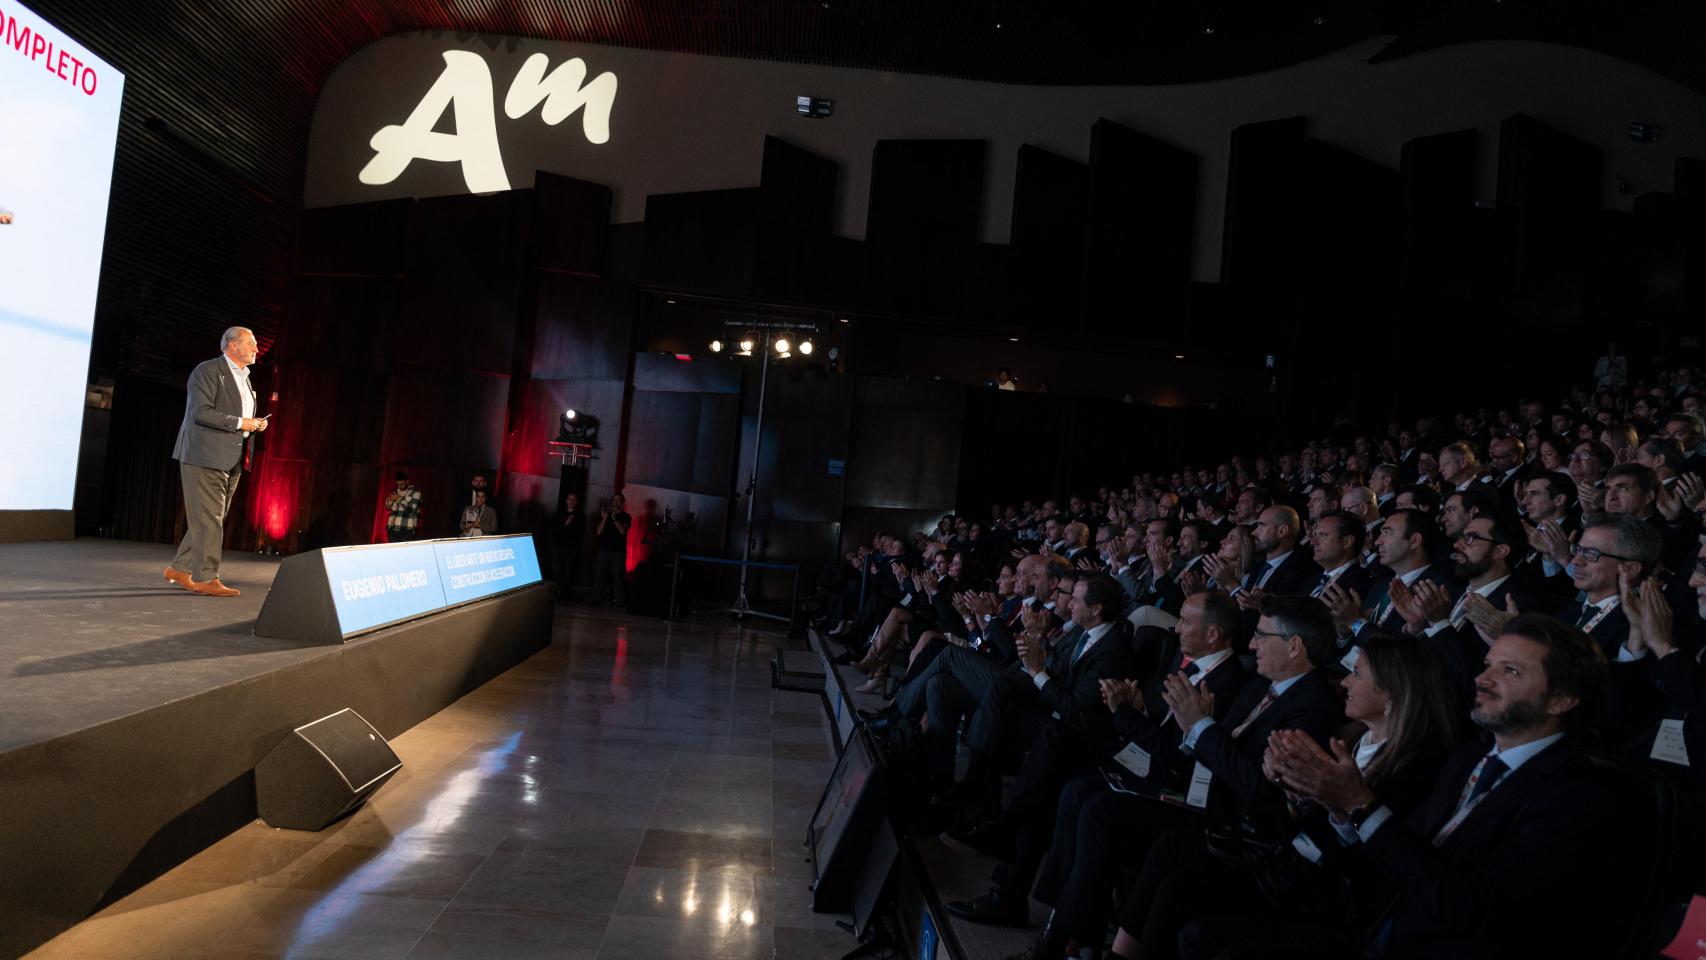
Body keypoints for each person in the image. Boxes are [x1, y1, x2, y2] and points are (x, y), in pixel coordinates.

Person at [164, 326, 269, 597]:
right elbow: (201, 413)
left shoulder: (245, 378)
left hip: (232, 456)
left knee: (211, 518)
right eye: (251, 343)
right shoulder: (208, 371)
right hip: (203, 454)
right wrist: (241, 423)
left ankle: (180, 568)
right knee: (209, 519)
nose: (256, 349)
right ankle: (205, 577)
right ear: (232, 345)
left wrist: (253, 425)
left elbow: (239, 415)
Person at [590, 492, 631, 606]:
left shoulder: (626, 516)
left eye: (618, 500)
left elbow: (623, 531)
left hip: (618, 551)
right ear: (612, 502)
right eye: (614, 500)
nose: (616, 502)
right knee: (600, 574)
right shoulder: (606, 515)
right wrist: (605, 519)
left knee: (618, 576)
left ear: (622, 503)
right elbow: (598, 531)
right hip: (604, 550)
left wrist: (615, 520)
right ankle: (597, 598)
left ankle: (619, 601)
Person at [555, 490, 585, 604]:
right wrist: (565, 524)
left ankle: (564, 597)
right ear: (566, 501)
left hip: (572, 548)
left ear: (576, 502)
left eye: (573, 499)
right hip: (559, 546)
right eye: (569, 499)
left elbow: (581, 532)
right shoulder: (560, 513)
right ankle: (558, 594)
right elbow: (555, 529)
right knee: (558, 570)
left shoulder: (580, 516)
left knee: (568, 571)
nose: (571, 501)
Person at [384, 472, 423, 542]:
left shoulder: (416, 493)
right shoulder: (396, 491)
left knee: (404, 552)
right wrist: (390, 502)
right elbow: (387, 508)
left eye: (401, 484)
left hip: (406, 529)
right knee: (392, 552)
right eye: (398, 484)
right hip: (392, 529)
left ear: (407, 481)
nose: (399, 486)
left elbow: (413, 510)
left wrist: (398, 499)